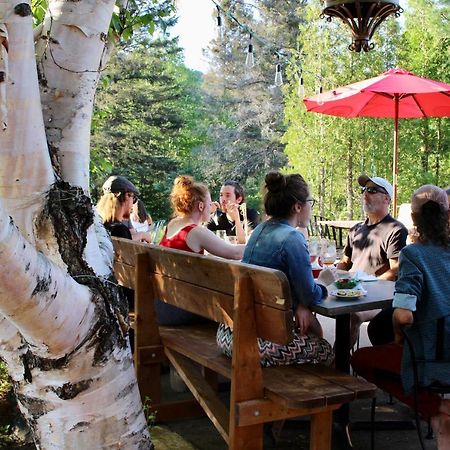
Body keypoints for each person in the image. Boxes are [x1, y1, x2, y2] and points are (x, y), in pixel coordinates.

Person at [351, 185, 450, 450]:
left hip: (430, 358)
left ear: (414, 219)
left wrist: (397, 334)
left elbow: (404, 314)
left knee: (361, 359)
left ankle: (439, 408)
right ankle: (439, 418)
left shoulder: (413, 254)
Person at [216, 172, 334, 367]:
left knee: (313, 332)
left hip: (230, 332)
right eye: (310, 202)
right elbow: (311, 295)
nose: (310, 208)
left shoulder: (260, 231)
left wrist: (299, 304)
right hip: (257, 342)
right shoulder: (292, 238)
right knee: (325, 350)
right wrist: (324, 282)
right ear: (298, 206)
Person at [155, 175, 245, 325]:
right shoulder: (195, 232)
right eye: (210, 204)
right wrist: (259, 245)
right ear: (201, 206)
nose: (212, 208)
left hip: (163, 303)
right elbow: (234, 253)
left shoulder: (173, 223)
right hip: (180, 310)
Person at [336, 175, 408, 345]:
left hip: (376, 296)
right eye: (364, 190)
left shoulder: (395, 230)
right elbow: (345, 262)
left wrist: (368, 283)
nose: (365, 194)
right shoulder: (356, 229)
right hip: (350, 291)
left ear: (387, 199)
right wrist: (334, 275)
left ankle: (335, 365)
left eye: (372, 190)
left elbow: (395, 270)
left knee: (353, 315)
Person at [96, 175, 151, 243]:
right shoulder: (120, 230)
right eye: (133, 198)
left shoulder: (98, 224)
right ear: (127, 196)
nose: (133, 204)